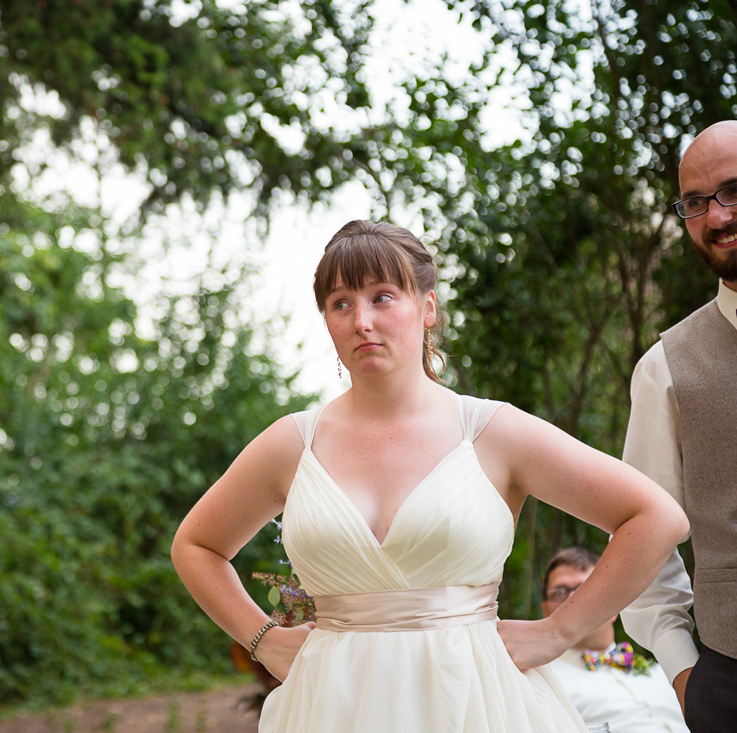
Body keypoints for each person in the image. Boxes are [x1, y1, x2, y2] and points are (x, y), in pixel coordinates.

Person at [171, 220, 689, 732]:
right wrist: (262, 639)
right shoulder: (292, 444)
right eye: (341, 303)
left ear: (428, 308)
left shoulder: (490, 431)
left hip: (475, 703)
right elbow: (196, 545)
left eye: (382, 296)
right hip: (330, 706)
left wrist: (559, 631)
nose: (362, 321)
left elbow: (655, 517)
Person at [619, 120, 737, 732]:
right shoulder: (664, 366)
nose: (717, 218)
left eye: (733, 190)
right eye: (696, 202)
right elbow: (645, 534)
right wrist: (687, 673)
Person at [538, 547, 688, 732]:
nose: (572, 600)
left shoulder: (665, 671)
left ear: (613, 605)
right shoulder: (543, 684)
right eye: (559, 592)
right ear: (545, 611)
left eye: (585, 589)